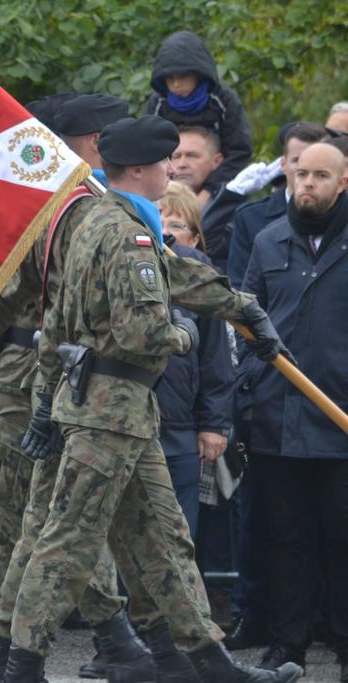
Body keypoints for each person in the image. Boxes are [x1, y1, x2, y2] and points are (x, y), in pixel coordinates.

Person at [4, 115, 301, 683]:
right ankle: (18, 667)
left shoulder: (93, 217)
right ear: (139, 169)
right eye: (165, 161)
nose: (173, 168)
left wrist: (241, 307)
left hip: (116, 411)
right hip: (108, 414)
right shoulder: (128, 233)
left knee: (165, 540)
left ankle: (205, 662)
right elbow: (145, 331)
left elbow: (173, 273)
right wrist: (187, 334)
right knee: (67, 545)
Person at [0, 93, 149, 683]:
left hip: (26, 368)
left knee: (45, 517)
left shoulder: (47, 196)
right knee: (29, 517)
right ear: (95, 143)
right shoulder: (69, 202)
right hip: (34, 373)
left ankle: (101, 641)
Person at [242, 142, 348, 677]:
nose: (307, 184)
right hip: (278, 418)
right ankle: (289, 644)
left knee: (342, 533)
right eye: (300, 173)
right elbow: (242, 320)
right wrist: (251, 381)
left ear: (343, 182)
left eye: (320, 176)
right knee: (285, 538)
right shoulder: (267, 241)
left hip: (340, 421)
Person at [156, 181, 234, 534]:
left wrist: (213, 424)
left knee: (179, 533)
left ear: (196, 236)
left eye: (176, 224)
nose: (165, 231)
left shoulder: (201, 273)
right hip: (128, 422)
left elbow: (216, 358)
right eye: (157, 219)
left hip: (180, 427)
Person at [144, 31, 252, 203]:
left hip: (219, 187)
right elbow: (148, 152)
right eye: (169, 78)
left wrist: (209, 192)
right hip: (167, 189)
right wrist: (168, 191)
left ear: (199, 73)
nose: (176, 84)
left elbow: (239, 151)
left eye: (182, 76)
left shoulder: (223, 99)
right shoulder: (158, 103)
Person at [227, 122, 327, 288]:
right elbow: (239, 288)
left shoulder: (341, 218)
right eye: (297, 160)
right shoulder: (250, 218)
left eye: (316, 162)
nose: (306, 169)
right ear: (283, 164)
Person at [171, 127, 224, 204]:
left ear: (216, 161)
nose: (181, 164)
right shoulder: (152, 206)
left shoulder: (237, 212)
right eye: (176, 157)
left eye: (191, 156)